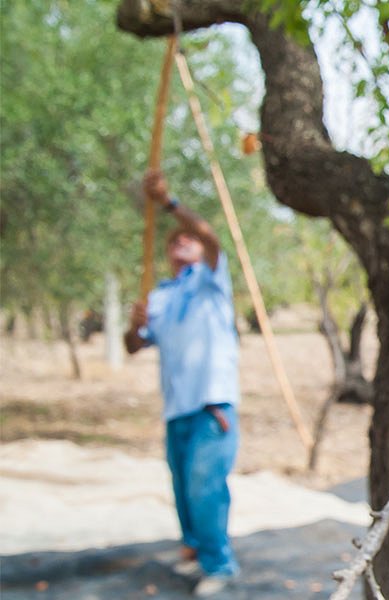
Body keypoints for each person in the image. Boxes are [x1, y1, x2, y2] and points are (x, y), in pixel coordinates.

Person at [124, 170, 240, 596]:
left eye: (188, 239)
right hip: (177, 408)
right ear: (169, 254)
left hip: (212, 403)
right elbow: (134, 346)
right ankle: (195, 552)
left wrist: (168, 202)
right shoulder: (160, 296)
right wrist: (134, 326)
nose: (183, 243)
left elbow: (209, 236)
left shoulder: (211, 281)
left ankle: (220, 565)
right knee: (183, 488)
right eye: (175, 241)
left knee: (205, 487)